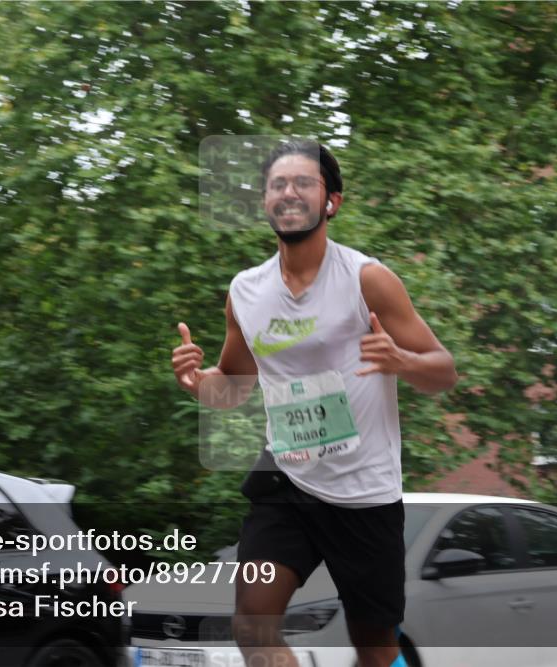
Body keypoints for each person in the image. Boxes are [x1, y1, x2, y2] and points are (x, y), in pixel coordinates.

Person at [171, 140, 458, 667]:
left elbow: (444, 371)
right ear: (265, 201)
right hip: (288, 481)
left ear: (332, 202)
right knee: (252, 626)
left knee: (373, 649)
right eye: (277, 184)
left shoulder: (366, 279)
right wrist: (198, 383)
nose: (289, 193)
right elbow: (232, 386)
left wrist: (403, 361)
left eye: (304, 183)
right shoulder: (246, 292)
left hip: (365, 493)